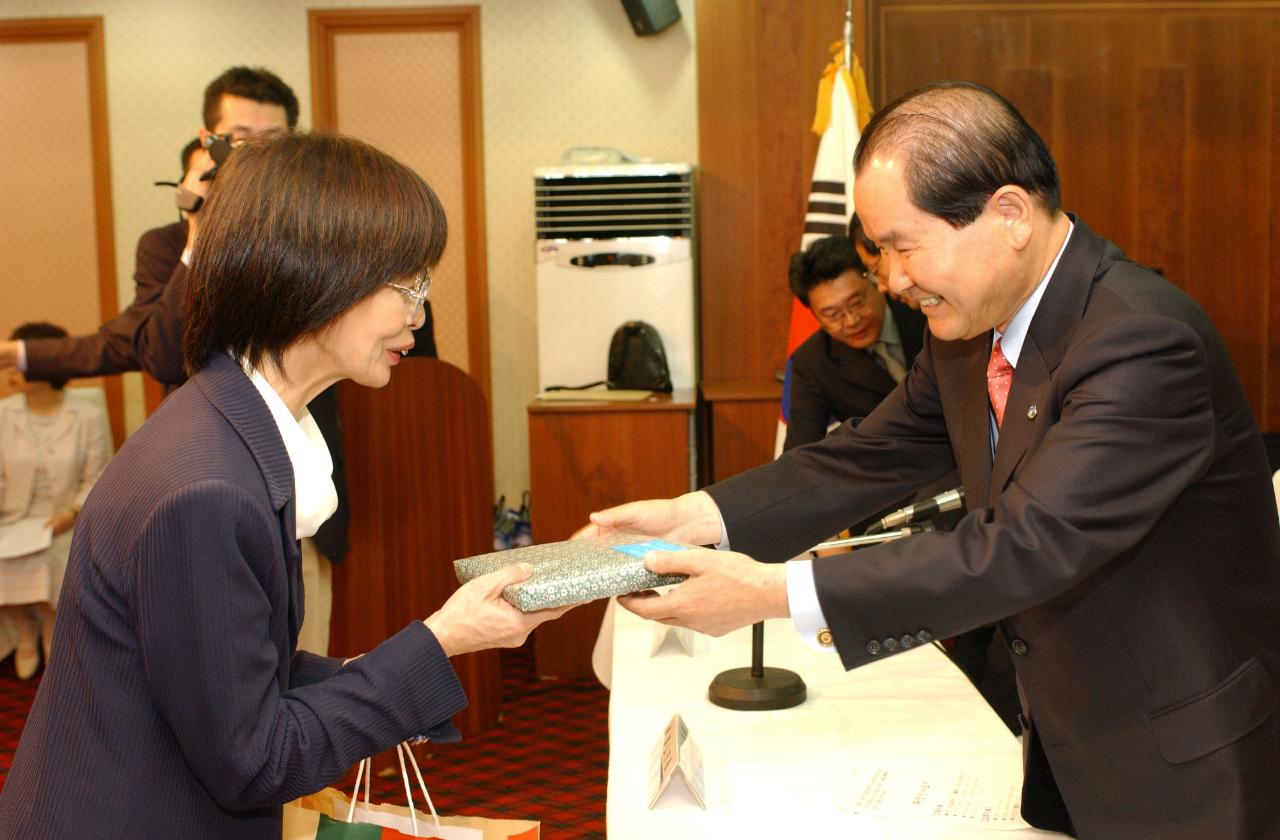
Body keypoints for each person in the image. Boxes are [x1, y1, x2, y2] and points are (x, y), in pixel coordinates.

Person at [584, 80, 1280, 837]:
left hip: (1183, 757)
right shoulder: (970, 330)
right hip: (1072, 738)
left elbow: (1023, 546)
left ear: (1009, 214)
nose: (891, 280)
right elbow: (866, 456)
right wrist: (697, 516)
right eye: (879, 251)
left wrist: (768, 593)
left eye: (903, 246)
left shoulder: (1141, 342)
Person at [0, 132, 566, 839]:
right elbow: (255, 760)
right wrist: (442, 639)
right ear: (316, 277)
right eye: (408, 287)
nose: (418, 322)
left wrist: (395, 660)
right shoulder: (206, 490)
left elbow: (229, 672)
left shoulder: (227, 422)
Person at [0, 323, 111, 679]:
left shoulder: (87, 415)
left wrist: (71, 513)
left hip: (65, 520)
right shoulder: (3, 415)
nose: (10, 370)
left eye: (19, 361)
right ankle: (22, 630)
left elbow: (98, 477)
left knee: (51, 557)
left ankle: (50, 627)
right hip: (11, 519)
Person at [783, 233, 926, 451]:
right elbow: (801, 451)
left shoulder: (921, 310)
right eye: (832, 315)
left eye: (857, 302)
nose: (851, 321)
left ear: (875, 281)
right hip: (891, 473)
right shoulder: (813, 363)